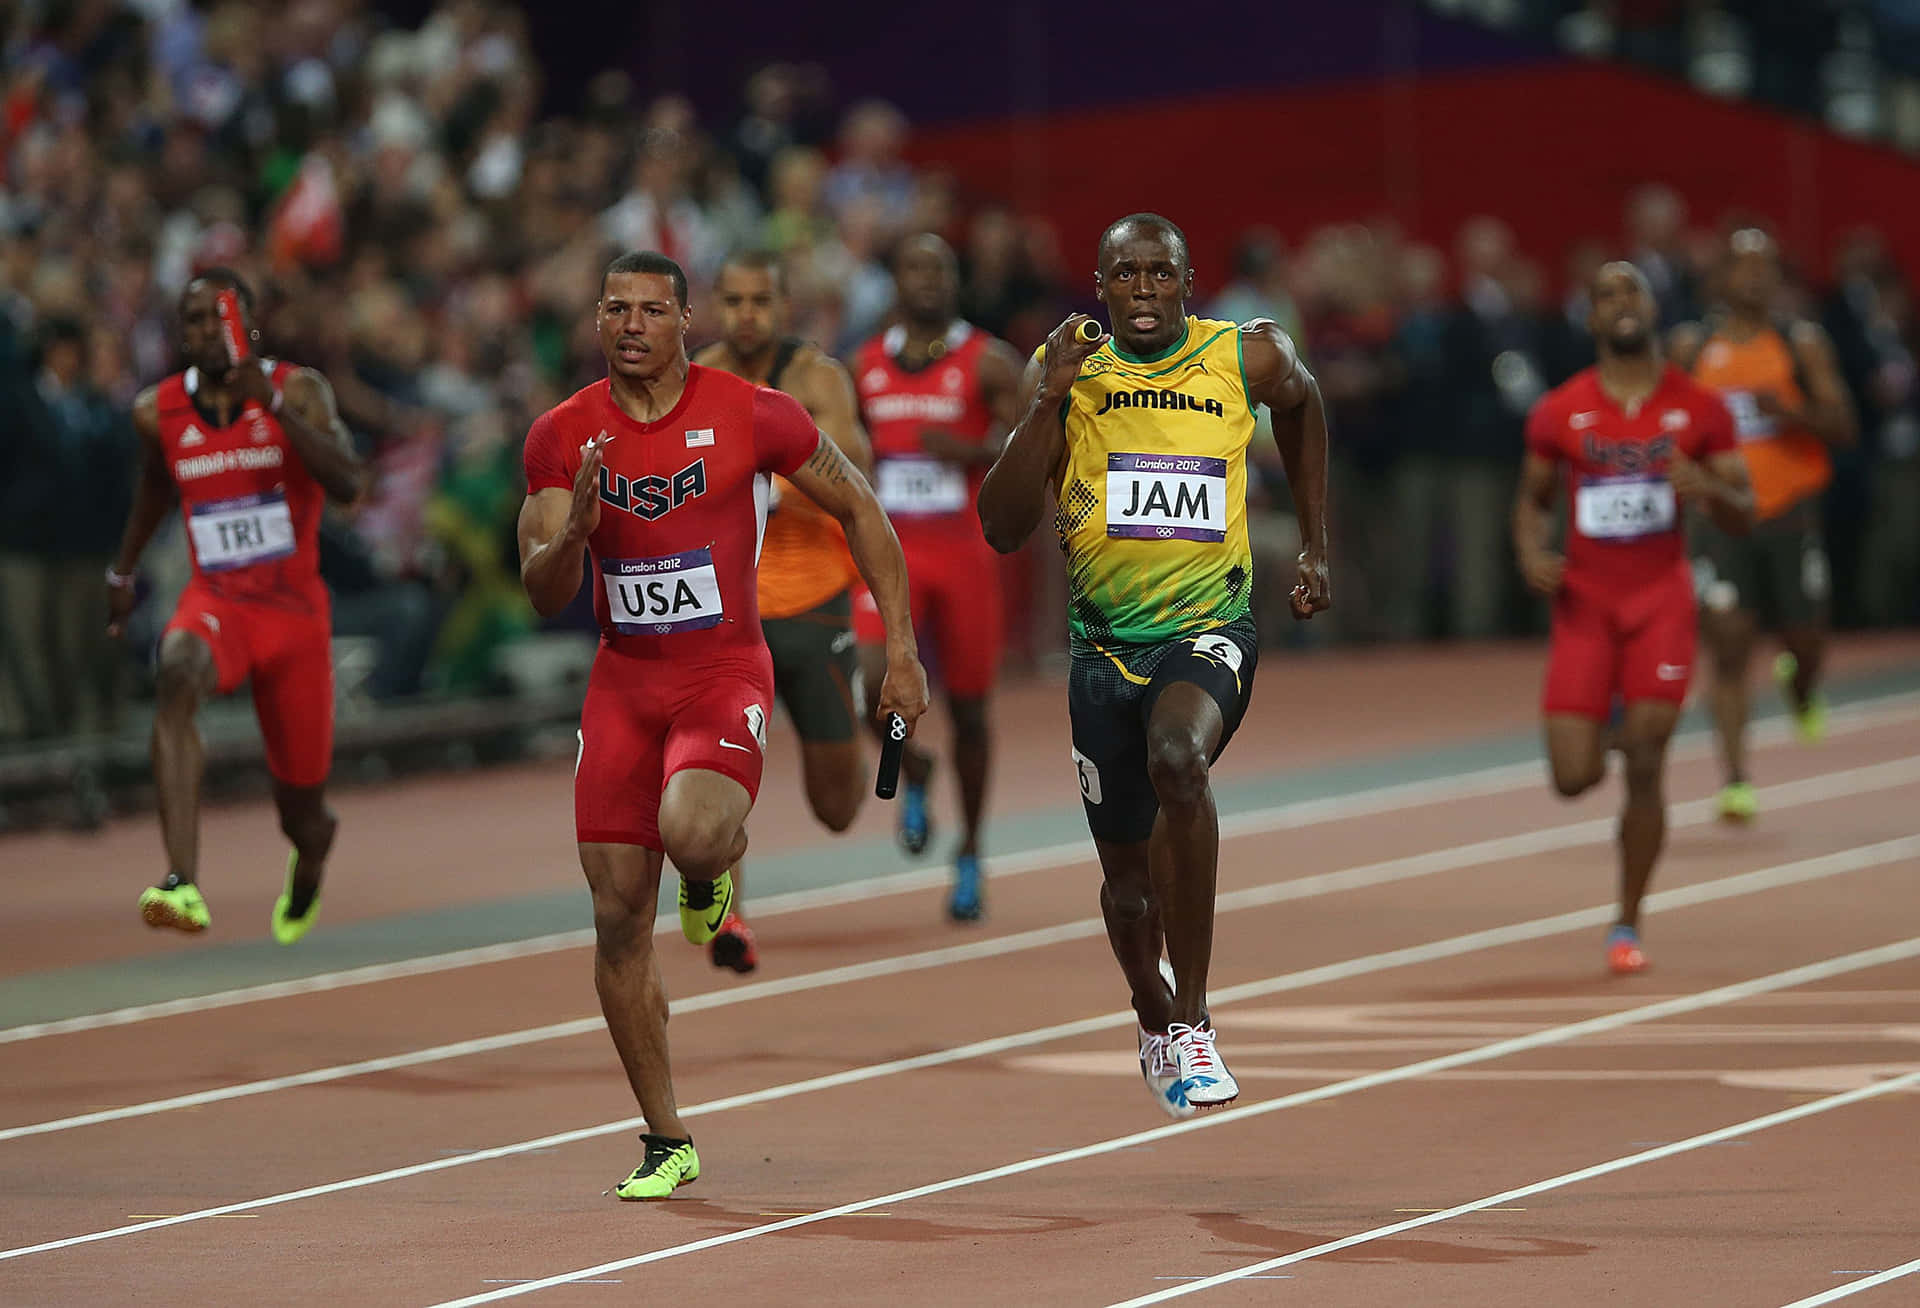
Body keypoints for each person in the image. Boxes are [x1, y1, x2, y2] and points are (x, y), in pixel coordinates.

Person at [517, 251, 927, 1200]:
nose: (629, 325)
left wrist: (899, 649)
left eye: (650, 310)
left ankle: (710, 876)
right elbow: (542, 593)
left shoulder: (752, 410)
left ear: (684, 321)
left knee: (693, 832)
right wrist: (573, 534)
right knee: (618, 915)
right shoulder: (560, 435)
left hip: (720, 671)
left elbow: (861, 508)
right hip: (623, 685)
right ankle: (667, 1138)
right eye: (613, 308)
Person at [977, 213, 1332, 1116]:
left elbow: (1304, 405)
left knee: (1180, 759)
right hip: (1102, 652)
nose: (1143, 289)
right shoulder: (1068, 369)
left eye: (1159, 273)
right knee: (1129, 891)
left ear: (1187, 282)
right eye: (1125, 275)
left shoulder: (1244, 356)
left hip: (1208, 628)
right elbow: (1002, 526)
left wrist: (1316, 544)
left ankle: (1197, 1022)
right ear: (1099, 288)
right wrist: (1047, 402)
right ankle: (1152, 1011)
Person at [107, 270, 367, 942]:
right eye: (190, 321)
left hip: (295, 619)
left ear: (246, 327)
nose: (203, 332)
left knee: (301, 812)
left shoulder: (299, 389)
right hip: (219, 603)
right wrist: (124, 570)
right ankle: (181, 882)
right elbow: (154, 493)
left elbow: (348, 483)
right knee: (177, 669)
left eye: (214, 318)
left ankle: (311, 856)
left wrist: (273, 409)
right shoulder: (156, 410)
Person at [1515, 263, 1754, 976]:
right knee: (1571, 776)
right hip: (1586, 605)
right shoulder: (1560, 410)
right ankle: (1615, 716)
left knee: (1648, 756)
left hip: (1660, 600)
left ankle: (1626, 920)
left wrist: (1706, 485)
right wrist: (1531, 550)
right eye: (1606, 295)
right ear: (1591, 319)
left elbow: (1745, 510)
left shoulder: (1701, 408)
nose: (1621, 305)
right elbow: (1531, 499)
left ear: (1653, 308)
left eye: (1633, 292)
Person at [690, 249, 874, 973]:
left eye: (759, 301)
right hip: (725, 613)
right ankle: (730, 916)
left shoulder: (814, 378)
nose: (746, 315)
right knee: (723, 773)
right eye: (732, 300)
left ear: (782, 304)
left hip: (812, 605)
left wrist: (758, 476)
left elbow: (848, 462)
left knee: (837, 809)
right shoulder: (696, 376)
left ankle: (891, 752)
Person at [849, 233, 1022, 921]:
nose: (926, 279)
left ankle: (972, 849)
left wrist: (974, 449)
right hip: (892, 555)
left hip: (963, 556)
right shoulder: (860, 365)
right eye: (914, 268)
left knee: (972, 712)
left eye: (939, 268)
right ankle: (915, 768)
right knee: (870, 686)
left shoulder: (989, 362)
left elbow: (1032, 442)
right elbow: (833, 444)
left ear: (955, 281)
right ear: (896, 281)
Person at [1670, 229, 1857, 822]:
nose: (1753, 278)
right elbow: (1663, 425)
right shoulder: (1690, 345)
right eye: (1741, 266)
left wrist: (1793, 413)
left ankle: (1799, 683)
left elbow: (1845, 426)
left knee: (1807, 643)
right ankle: (1736, 778)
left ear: (1779, 279)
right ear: (1720, 278)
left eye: (1765, 267)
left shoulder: (1801, 344)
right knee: (1727, 647)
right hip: (1721, 520)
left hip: (1789, 514)